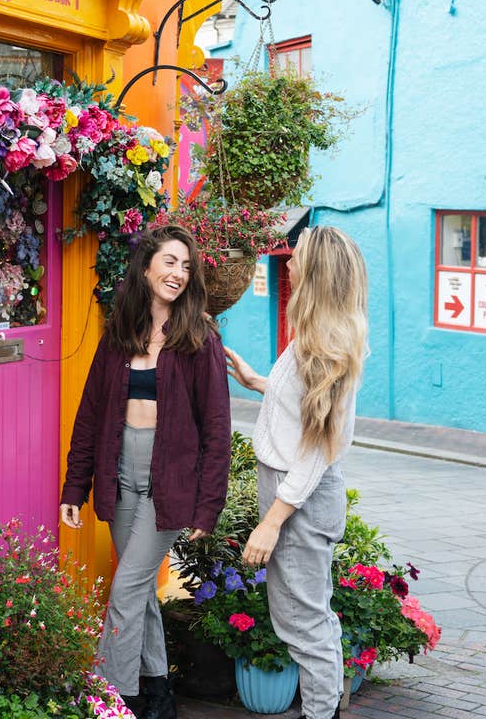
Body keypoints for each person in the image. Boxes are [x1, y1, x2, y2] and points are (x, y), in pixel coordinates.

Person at [60, 225, 231, 719]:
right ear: (147, 266)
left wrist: (208, 504)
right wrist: (76, 484)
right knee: (138, 592)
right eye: (170, 262)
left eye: (185, 265)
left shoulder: (199, 338)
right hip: (119, 473)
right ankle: (157, 692)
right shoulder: (120, 332)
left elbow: (217, 429)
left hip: (170, 480)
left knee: (127, 588)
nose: (178, 273)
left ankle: (112, 699)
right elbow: (90, 414)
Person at [224, 226, 369, 719]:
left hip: (299, 497)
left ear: (317, 272)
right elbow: (302, 412)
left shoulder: (325, 344)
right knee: (304, 619)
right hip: (294, 492)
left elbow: (316, 450)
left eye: (296, 257)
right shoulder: (317, 334)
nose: (287, 264)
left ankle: (320, 714)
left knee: (304, 624)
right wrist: (257, 381)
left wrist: (273, 520)